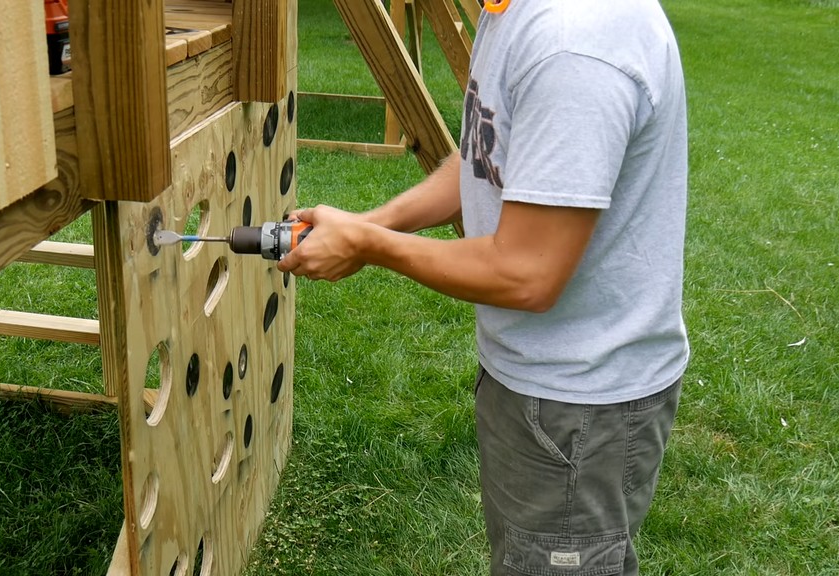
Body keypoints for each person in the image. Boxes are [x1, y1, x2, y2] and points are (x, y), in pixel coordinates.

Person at [278, 0, 688, 574]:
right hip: (543, 382)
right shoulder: (511, 11)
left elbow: (527, 274)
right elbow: (486, 154)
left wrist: (369, 247)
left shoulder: (574, 45)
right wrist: (371, 223)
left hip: (578, 402)